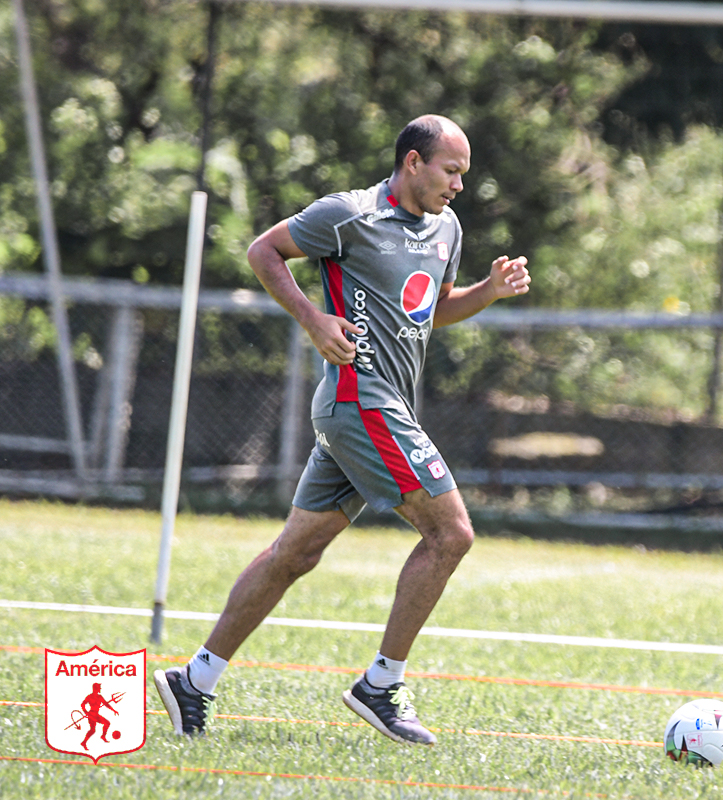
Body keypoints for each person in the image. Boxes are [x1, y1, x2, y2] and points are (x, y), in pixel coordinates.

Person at [154, 114, 531, 746]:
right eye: (451, 170)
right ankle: (380, 685)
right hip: (362, 403)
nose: (459, 185)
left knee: (295, 554)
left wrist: (488, 291)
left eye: (464, 173)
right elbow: (263, 251)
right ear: (412, 162)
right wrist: (312, 319)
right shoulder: (348, 215)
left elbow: (430, 312)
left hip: (380, 408)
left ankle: (194, 679)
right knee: (451, 534)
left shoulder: (447, 227)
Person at [79, 683, 118, 751]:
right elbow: (82, 704)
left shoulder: (100, 697)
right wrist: (85, 712)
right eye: (99, 688)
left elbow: (106, 704)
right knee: (93, 730)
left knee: (107, 723)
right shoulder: (89, 697)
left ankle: (102, 736)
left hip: (96, 714)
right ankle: (84, 742)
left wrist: (113, 710)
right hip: (91, 714)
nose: (100, 689)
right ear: (95, 688)